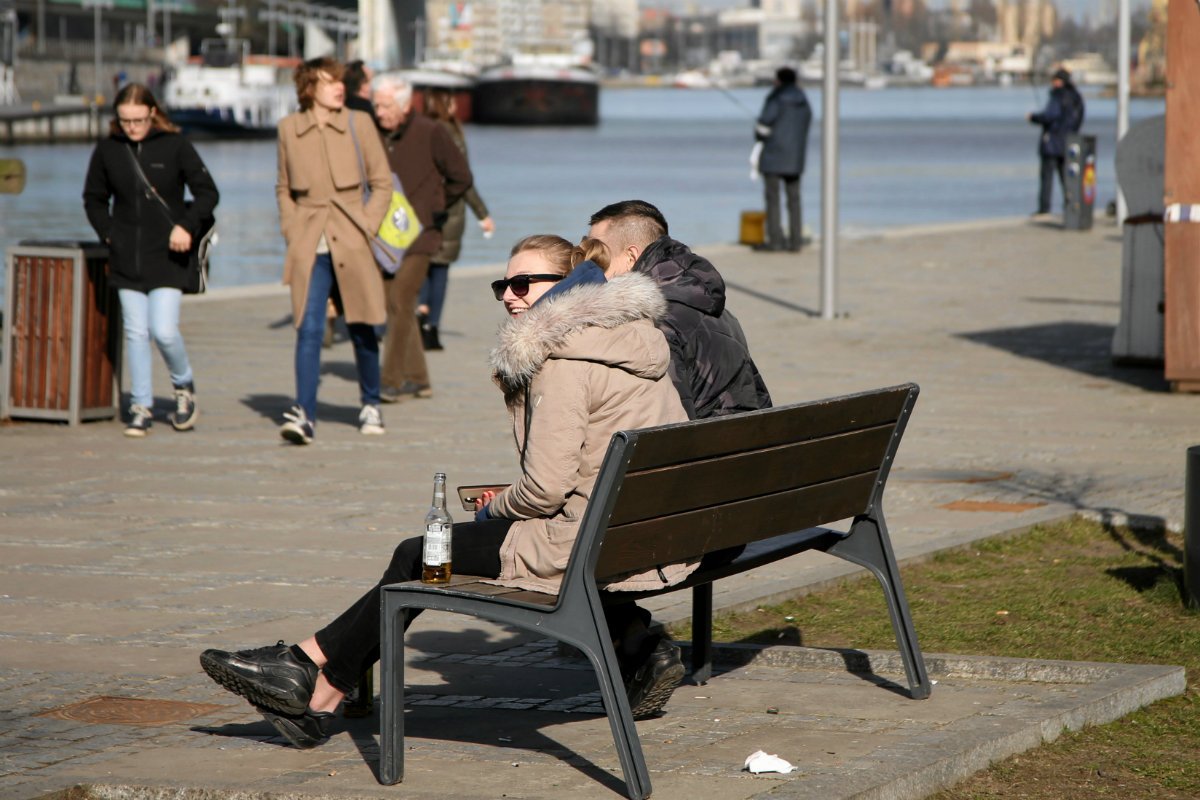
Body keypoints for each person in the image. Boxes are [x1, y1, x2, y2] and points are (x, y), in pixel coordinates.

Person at [199, 234, 692, 747]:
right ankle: (315, 678)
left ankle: (316, 682)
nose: (508, 296)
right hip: (647, 532)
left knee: (419, 555)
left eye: (523, 284)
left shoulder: (564, 362)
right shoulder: (630, 339)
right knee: (432, 550)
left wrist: (494, 510)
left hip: (583, 542)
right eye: (503, 285)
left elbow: (545, 492)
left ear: (565, 287)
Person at [82, 83, 219, 437]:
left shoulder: (175, 146)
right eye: (125, 121)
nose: (132, 127)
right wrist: (109, 233)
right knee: (136, 331)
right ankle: (140, 405)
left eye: (139, 119)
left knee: (163, 330)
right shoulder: (108, 150)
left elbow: (208, 193)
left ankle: (183, 385)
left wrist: (186, 227)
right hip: (126, 255)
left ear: (152, 113)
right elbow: (94, 198)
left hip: (169, 256)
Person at [274, 57, 393, 445]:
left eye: (339, 81)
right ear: (309, 88)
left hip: (353, 237)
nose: (338, 87)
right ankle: (304, 414)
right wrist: (292, 230)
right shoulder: (289, 129)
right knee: (308, 329)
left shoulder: (360, 123)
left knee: (362, 326)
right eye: (328, 82)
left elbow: (381, 183)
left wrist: (367, 225)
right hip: (310, 243)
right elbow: (283, 188)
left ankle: (370, 403)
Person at [587, 199, 772, 419]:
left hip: (705, 445)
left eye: (599, 257)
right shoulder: (709, 301)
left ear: (631, 256)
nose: (590, 266)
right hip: (744, 437)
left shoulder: (655, 321)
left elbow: (669, 420)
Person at [371, 76, 473, 402]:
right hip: (382, 237)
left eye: (385, 105)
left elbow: (462, 177)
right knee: (396, 306)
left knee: (400, 301)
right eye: (376, 104)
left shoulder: (431, 132)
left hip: (421, 234)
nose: (379, 111)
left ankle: (391, 379)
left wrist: (436, 205)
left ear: (404, 105)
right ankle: (419, 379)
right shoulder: (372, 134)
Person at [416, 88, 495, 351]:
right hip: (449, 213)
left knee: (424, 266)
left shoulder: (422, 129)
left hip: (422, 209)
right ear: (444, 103)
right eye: (450, 100)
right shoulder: (450, 134)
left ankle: (421, 311)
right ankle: (431, 327)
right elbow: (463, 181)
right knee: (440, 271)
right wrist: (482, 213)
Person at [754, 66, 812, 252]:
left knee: (773, 199)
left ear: (778, 80)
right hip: (796, 157)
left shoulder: (776, 98)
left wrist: (762, 135)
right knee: (794, 200)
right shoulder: (803, 100)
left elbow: (763, 125)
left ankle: (775, 241)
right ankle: (796, 241)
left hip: (773, 156)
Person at [1027, 67, 1085, 216]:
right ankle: (1071, 206)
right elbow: (1078, 119)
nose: (1052, 83)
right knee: (1067, 178)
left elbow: (1050, 115)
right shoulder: (1077, 98)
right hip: (1070, 142)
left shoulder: (1058, 97)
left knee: (1047, 177)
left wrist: (1034, 117)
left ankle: (1044, 209)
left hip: (1052, 143)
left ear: (1060, 82)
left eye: (1055, 80)